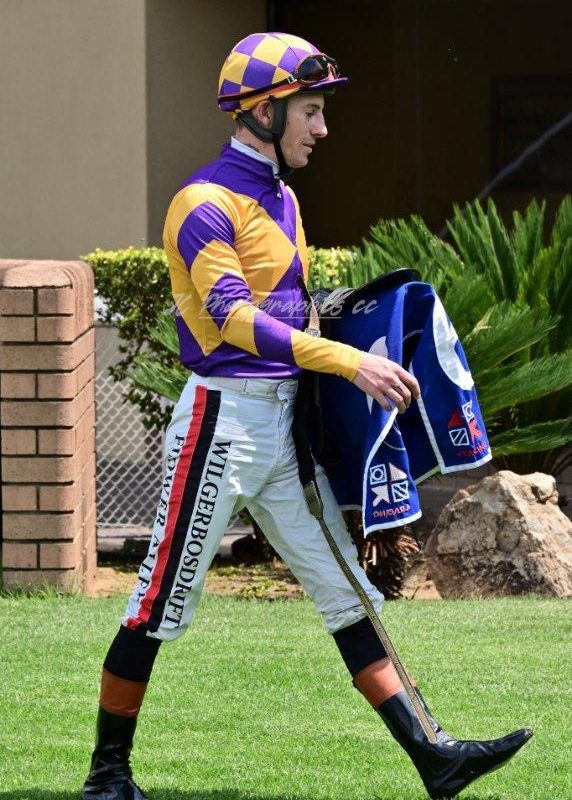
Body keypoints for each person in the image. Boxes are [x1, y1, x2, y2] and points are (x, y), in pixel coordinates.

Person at [81, 32, 531, 800]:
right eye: (311, 111)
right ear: (264, 112)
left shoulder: (283, 199)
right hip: (220, 426)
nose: (323, 128)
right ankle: (106, 775)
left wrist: (376, 323)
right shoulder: (202, 203)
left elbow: (291, 310)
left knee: (347, 589)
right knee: (159, 599)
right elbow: (233, 320)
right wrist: (350, 363)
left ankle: (436, 757)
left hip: (280, 427)